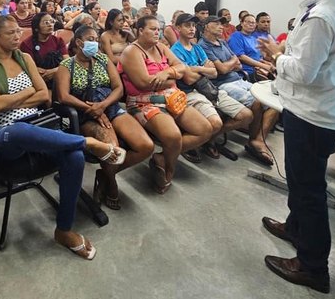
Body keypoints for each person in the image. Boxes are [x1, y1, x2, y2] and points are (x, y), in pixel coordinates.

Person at [0, 15, 123, 260]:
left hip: (39, 126)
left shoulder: (26, 58)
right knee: (21, 131)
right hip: (6, 135)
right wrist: (28, 91)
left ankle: (64, 229)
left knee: (74, 158)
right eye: (10, 33)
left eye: (18, 32)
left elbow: (44, 96)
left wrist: (11, 97)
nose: (17, 37)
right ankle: (87, 143)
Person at [256, 0, 335, 294]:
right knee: (302, 184)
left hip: (314, 114)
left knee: (309, 190)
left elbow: (302, 71)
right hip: (323, 108)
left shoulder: (322, 16)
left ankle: (312, 267)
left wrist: (277, 54)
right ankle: (295, 228)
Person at [54, 26, 153, 210]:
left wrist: (103, 106)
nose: (95, 42)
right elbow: (63, 96)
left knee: (146, 147)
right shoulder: (66, 66)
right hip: (86, 114)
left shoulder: (102, 59)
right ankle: (112, 183)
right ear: (79, 42)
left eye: (97, 38)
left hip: (110, 107)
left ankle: (105, 175)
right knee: (113, 151)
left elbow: (118, 88)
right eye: (91, 38)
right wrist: (91, 109)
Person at [118, 16, 211, 194]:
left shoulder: (161, 47)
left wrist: (167, 72)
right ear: (139, 31)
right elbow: (144, 83)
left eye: (158, 29)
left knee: (205, 129)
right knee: (173, 136)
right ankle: (170, 168)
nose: (157, 32)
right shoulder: (132, 52)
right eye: (152, 29)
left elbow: (181, 67)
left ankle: (163, 157)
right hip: (142, 102)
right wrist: (172, 78)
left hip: (171, 98)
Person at [171, 14, 257, 161]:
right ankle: (191, 144)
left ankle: (207, 140)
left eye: (193, 26)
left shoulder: (197, 48)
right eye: (187, 26)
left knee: (246, 116)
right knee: (215, 124)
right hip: (191, 92)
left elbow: (214, 72)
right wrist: (203, 69)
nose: (192, 29)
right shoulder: (175, 50)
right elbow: (189, 79)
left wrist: (195, 69)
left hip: (209, 88)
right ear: (178, 28)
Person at [198, 16, 278, 165]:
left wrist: (230, 64)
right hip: (222, 84)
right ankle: (249, 140)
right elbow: (221, 70)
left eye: (222, 24)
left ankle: (258, 140)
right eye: (216, 24)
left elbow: (238, 65)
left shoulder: (222, 42)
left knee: (274, 101)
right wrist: (231, 63)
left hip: (239, 79)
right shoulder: (203, 45)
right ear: (206, 27)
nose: (221, 26)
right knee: (257, 102)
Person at [20, 12, 68, 88]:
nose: (50, 24)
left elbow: (67, 62)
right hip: (37, 79)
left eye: (52, 21)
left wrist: (55, 71)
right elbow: (30, 67)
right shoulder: (26, 44)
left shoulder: (58, 40)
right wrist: (45, 73)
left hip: (59, 76)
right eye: (46, 22)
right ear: (36, 28)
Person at [228, 13, 275, 80]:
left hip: (258, 69)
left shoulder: (253, 38)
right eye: (248, 22)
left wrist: (268, 64)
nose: (251, 24)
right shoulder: (236, 36)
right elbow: (241, 56)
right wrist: (263, 66)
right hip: (246, 72)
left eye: (253, 23)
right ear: (242, 23)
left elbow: (258, 57)